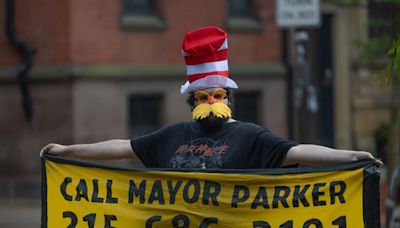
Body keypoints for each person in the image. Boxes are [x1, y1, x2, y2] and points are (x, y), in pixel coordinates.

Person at [40, 26, 383, 169]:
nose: (212, 101)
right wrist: (68, 151)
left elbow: (299, 150)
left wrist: (351, 156)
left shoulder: (250, 136)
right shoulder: (173, 136)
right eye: (204, 96)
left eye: (218, 95)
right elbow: (121, 146)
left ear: (229, 98)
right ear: (192, 101)